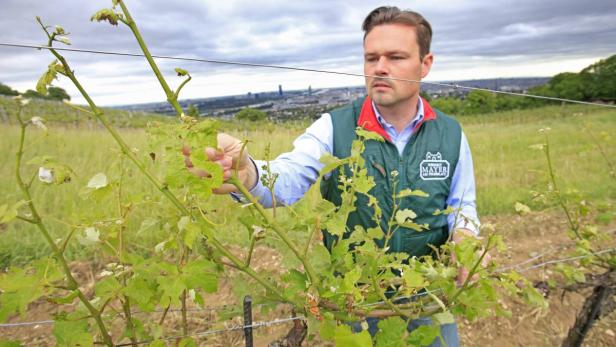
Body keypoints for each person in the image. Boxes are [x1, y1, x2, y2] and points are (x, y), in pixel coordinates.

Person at [193, 6, 480, 346]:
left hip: (427, 301)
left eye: (396, 57)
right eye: (371, 58)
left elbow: (462, 208)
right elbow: (287, 178)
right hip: (355, 305)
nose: (381, 68)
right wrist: (249, 171)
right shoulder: (334, 127)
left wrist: (466, 240)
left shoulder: (450, 134)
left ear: (425, 63)